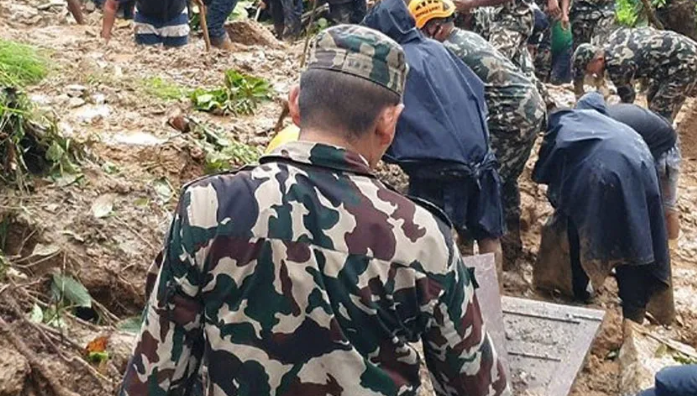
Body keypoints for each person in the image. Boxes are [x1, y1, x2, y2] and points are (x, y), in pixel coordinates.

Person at [122, 24, 509, 396]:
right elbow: (478, 385)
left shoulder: (207, 207)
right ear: (389, 122)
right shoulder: (421, 237)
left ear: (295, 103)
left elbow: (155, 374)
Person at [364, 0, 506, 271]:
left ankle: (447, 306)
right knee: (489, 236)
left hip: (438, 169)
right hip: (481, 158)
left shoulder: (397, 64)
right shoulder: (439, 49)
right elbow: (475, 92)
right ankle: (493, 306)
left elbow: (384, 119)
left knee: (437, 239)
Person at [409, 0, 545, 265]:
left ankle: (472, 256)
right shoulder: (467, 37)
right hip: (528, 112)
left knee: (478, 185)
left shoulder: (447, 51)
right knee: (502, 181)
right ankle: (510, 251)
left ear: (433, 27)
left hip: (509, 120)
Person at [533, 92, 671, 327]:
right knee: (636, 240)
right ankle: (633, 315)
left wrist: (562, 206)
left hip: (601, 175)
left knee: (576, 231)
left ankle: (578, 291)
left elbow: (547, 172)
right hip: (642, 167)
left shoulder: (565, 121)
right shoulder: (617, 127)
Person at [572, 26, 697, 121]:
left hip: (685, 62)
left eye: (589, 69)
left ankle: (663, 146)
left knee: (660, 110)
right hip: (671, 60)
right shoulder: (613, 39)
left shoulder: (616, 65)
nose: (591, 73)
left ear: (599, 59)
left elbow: (628, 99)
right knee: (652, 97)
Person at [606, 103, 682, 241]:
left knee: (665, 206)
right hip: (646, 142)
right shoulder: (595, 120)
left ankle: (671, 248)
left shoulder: (604, 129)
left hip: (665, 148)